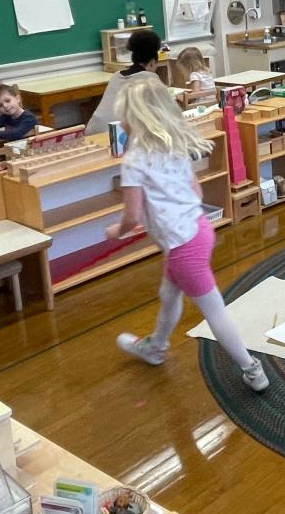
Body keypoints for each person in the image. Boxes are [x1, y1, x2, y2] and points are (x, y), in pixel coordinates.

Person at [106, 73, 268, 391]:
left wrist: (117, 231)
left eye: (123, 116)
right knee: (168, 295)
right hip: (199, 230)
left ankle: (251, 368)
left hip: (183, 249)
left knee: (214, 312)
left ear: (135, 119)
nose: (120, 123)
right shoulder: (173, 144)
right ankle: (155, 348)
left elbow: (132, 214)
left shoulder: (134, 161)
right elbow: (195, 192)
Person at [87, 28, 162, 135]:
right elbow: (162, 113)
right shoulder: (150, 79)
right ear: (152, 62)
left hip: (93, 130)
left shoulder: (116, 76)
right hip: (114, 137)